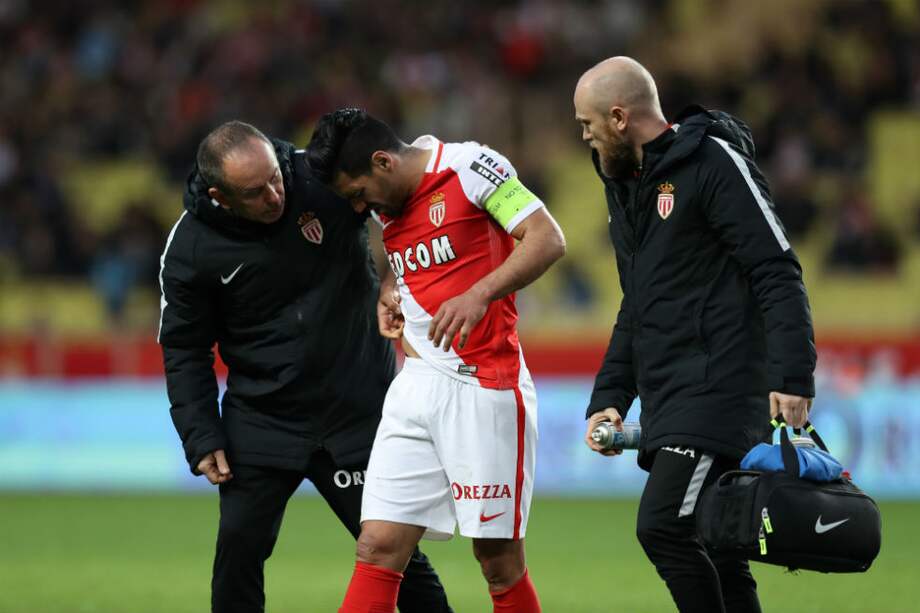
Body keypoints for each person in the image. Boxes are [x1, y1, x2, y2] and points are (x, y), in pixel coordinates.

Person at [157, 120, 452, 613]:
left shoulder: (320, 177)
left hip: (355, 408)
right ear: (219, 196)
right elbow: (184, 348)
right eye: (255, 192)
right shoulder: (190, 248)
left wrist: (393, 279)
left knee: (394, 554)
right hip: (263, 419)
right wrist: (200, 434)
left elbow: (404, 208)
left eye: (274, 177)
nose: (274, 195)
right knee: (238, 550)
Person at [574, 57, 817, 613]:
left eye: (587, 123)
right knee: (720, 548)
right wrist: (610, 397)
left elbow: (776, 268)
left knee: (663, 527)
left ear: (619, 118)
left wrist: (792, 374)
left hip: (719, 388)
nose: (583, 135)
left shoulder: (713, 161)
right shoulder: (627, 185)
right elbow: (638, 305)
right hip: (672, 394)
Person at [306, 108, 566, 613]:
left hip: (483, 384)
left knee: (498, 561)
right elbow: (413, 249)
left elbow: (546, 238)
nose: (358, 207)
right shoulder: (387, 203)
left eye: (358, 192)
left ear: (383, 162)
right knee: (376, 546)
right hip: (415, 382)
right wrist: (391, 286)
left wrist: (480, 293)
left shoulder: (471, 168)